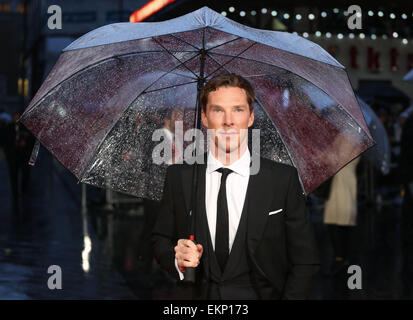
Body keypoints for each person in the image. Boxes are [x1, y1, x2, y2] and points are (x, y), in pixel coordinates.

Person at [152, 74, 320, 300]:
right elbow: (160, 238)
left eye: (238, 110)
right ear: (204, 117)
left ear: (251, 117)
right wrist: (177, 259)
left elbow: (305, 261)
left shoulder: (283, 179)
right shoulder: (179, 176)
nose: (228, 121)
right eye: (218, 110)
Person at [323, 156, 360, 275]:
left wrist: (324, 154)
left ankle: (340, 258)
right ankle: (343, 258)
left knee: (337, 222)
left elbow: (335, 158)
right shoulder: (354, 140)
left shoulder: (348, 140)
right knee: (340, 222)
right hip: (341, 182)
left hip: (342, 182)